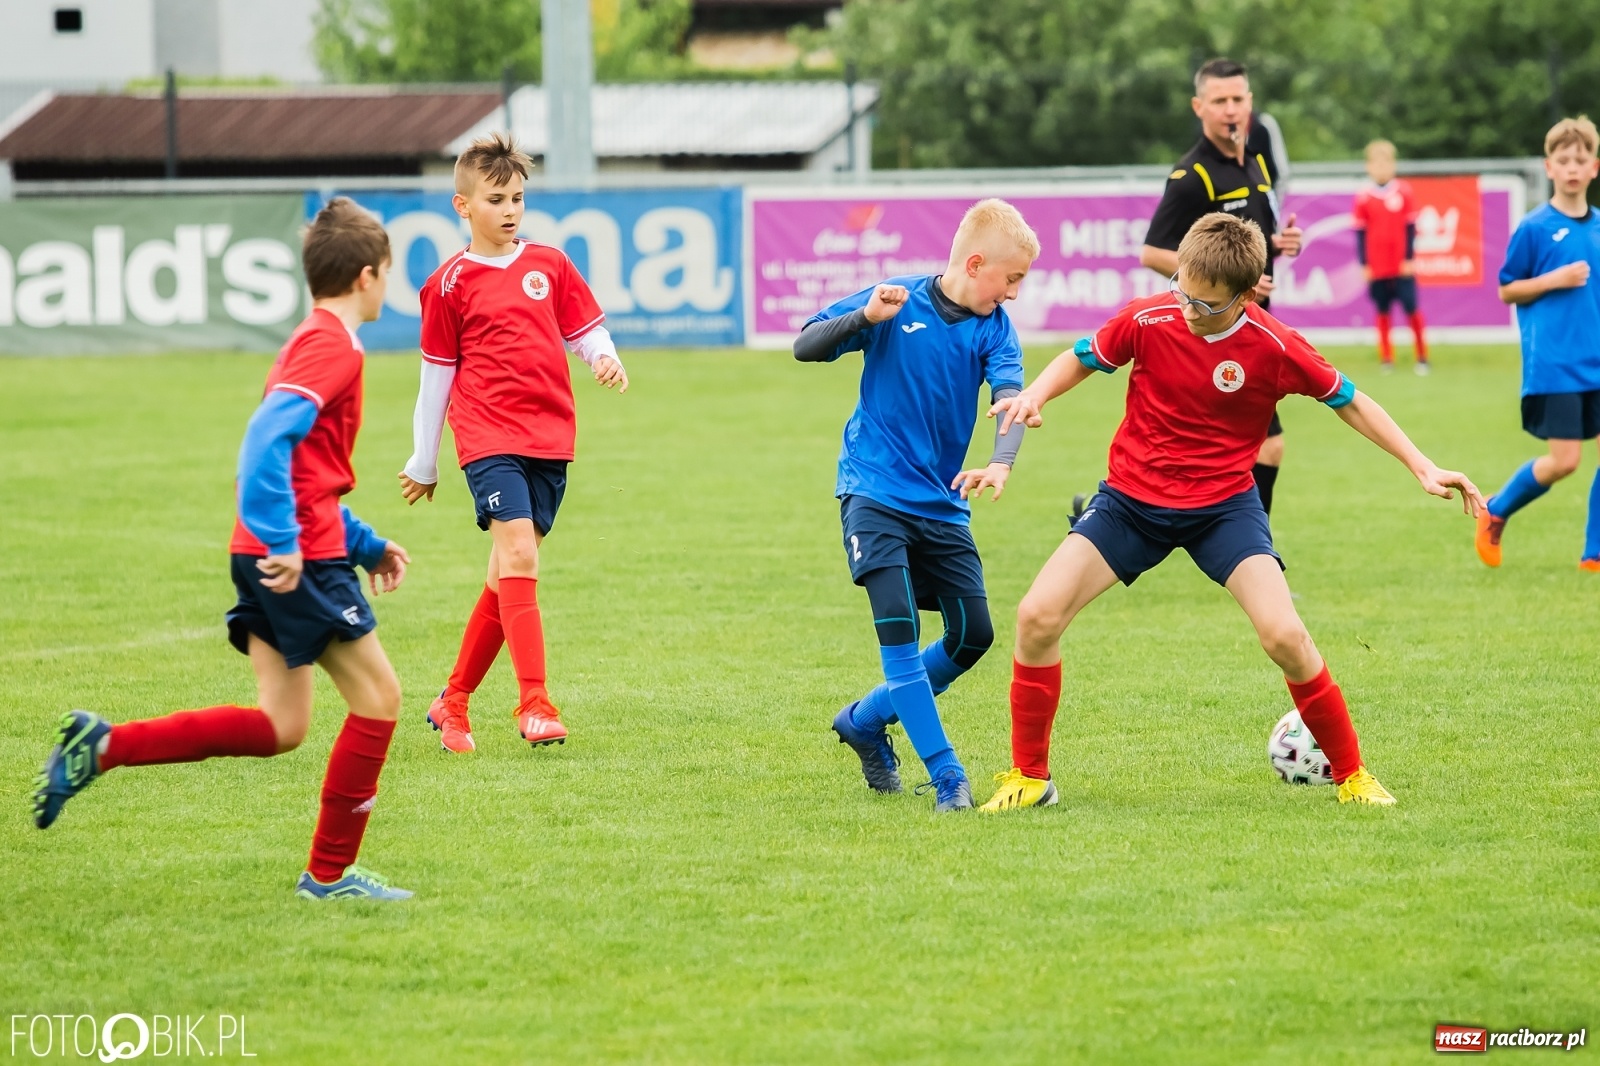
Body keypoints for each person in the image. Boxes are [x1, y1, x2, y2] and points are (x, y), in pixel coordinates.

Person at [976, 213, 1483, 813]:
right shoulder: (1150, 316)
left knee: (1285, 635)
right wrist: (1035, 393)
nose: (1188, 309)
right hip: (1130, 503)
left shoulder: (1276, 345)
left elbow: (1350, 400)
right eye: (1182, 291)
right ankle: (1030, 778)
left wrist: (1421, 465)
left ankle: (1352, 777)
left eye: (1205, 304)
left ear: (1245, 297)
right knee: (1036, 616)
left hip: (1223, 510)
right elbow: (1082, 356)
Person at [31, 199, 415, 900]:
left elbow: (308, 469)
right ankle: (328, 877)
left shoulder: (310, 341)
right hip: (295, 556)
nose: (388, 285)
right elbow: (264, 442)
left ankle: (104, 747)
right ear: (366, 276)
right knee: (380, 698)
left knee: (281, 725)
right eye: (387, 272)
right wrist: (287, 542)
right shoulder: (331, 346)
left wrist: (363, 543)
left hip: (279, 547)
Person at [793, 199, 1037, 813]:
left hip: (943, 502)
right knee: (900, 631)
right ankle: (947, 774)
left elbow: (1010, 398)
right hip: (873, 492)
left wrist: (1002, 460)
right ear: (975, 264)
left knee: (973, 635)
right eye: (1010, 279)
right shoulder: (894, 299)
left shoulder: (994, 328)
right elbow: (805, 346)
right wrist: (864, 317)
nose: (1013, 293)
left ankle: (863, 720)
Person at [400, 134, 629, 753]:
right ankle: (535, 704)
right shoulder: (448, 284)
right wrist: (424, 460)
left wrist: (603, 357)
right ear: (462, 206)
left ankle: (452, 701)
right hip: (487, 437)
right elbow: (436, 377)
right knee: (521, 556)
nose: (509, 211)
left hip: (550, 436)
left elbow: (585, 329)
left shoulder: (549, 264)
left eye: (517, 199)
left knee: (507, 574)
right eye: (495, 199)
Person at [1138, 57, 1302, 517]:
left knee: (1221, 452)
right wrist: (1227, 280)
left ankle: (1238, 541)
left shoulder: (1255, 162)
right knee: (1262, 446)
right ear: (1199, 107)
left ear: (1250, 102)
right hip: (1217, 331)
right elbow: (1152, 253)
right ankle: (1251, 546)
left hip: (1253, 324)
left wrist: (1278, 245)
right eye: (1219, 101)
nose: (1230, 109)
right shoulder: (1192, 176)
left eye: (1237, 99)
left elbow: (1245, 242)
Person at [1475, 116, 1600, 572]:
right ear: (1549, 167)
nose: (1572, 168)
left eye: (1580, 160)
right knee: (1565, 461)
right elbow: (1507, 289)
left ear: (1594, 167)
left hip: (1598, 360)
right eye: (1563, 160)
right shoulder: (1534, 227)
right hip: (1556, 363)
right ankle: (1496, 509)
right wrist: (1554, 279)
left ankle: (1594, 555)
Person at [1353, 140, 1429, 375]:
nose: (1382, 168)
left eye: (1386, 163)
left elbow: (1410, 228)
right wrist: (1364, 264)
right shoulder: (1363, 196)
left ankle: (1422, 357)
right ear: (1368, 167)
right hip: (1377, 267)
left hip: (1401, 265)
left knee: (1411, 308)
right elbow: (1360, 233)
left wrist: (1408, 258)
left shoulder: (1403, 192)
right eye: (1377, 163)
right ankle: (1387, 358)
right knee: (1382, 310)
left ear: (1393, 165)